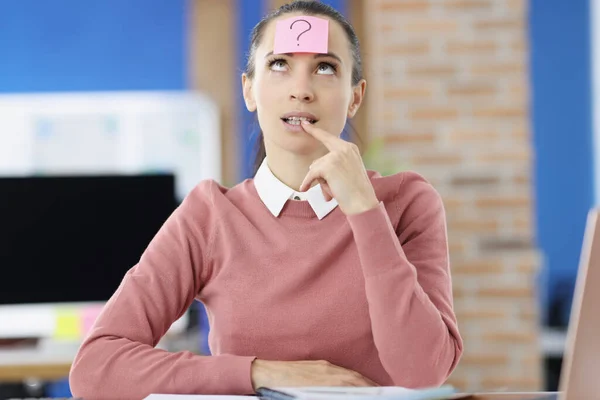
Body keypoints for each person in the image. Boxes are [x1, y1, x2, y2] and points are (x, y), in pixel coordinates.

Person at [69, 1, 463, 399]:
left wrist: (364, 210)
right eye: (279, 65)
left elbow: (423, 373)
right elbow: (96, 368)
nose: (301, 90)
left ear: (355, 97)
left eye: (325, 67)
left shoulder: (408, 203)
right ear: (249, 90)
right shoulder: (210, 216)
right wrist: (263, 373)